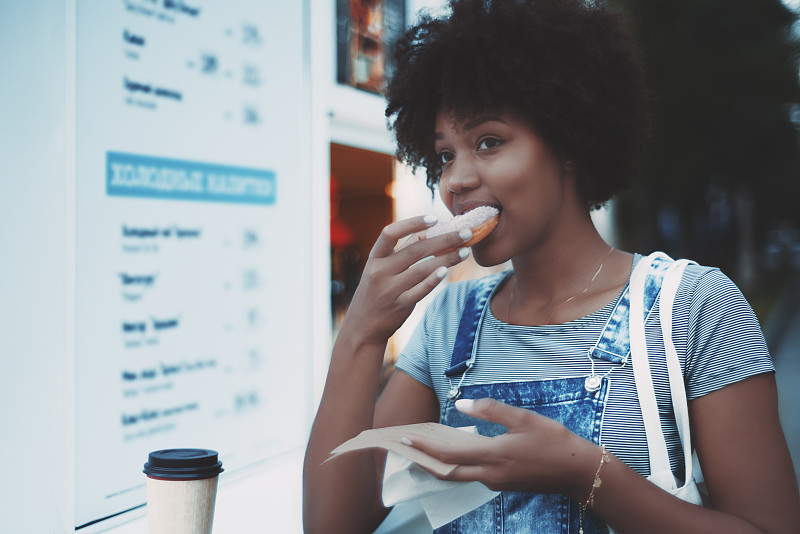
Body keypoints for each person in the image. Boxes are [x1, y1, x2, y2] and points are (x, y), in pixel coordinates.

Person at [303, 1, 800, 532]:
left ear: (568, 141)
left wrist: (588, 475)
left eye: (488, 142)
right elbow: (335, 525)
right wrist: (361, 333)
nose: (455, 181)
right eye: (444, 155)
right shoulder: (449, 322)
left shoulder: (691, 307)